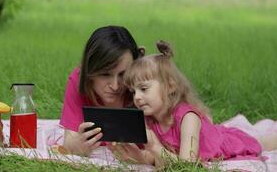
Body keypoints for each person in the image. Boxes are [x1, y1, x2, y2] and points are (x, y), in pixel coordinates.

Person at [111, 40, 277, 166]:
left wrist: (154, 146)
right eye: (133, 92)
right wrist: (136, 155)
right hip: (207, 140)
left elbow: (187, 165)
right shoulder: (150, 119)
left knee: (261, 143)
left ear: (170, 86)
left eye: (144, 89)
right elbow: (157, 160)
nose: (137, 97)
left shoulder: (187, 118)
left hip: (223, 145)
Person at [59, 25, 145, 156]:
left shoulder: (143, 83)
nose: (115, 86)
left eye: (123, 74)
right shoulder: (78, 80)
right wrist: (77, 146)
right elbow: (70, 141)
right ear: (90, 71)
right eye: (105, 74)